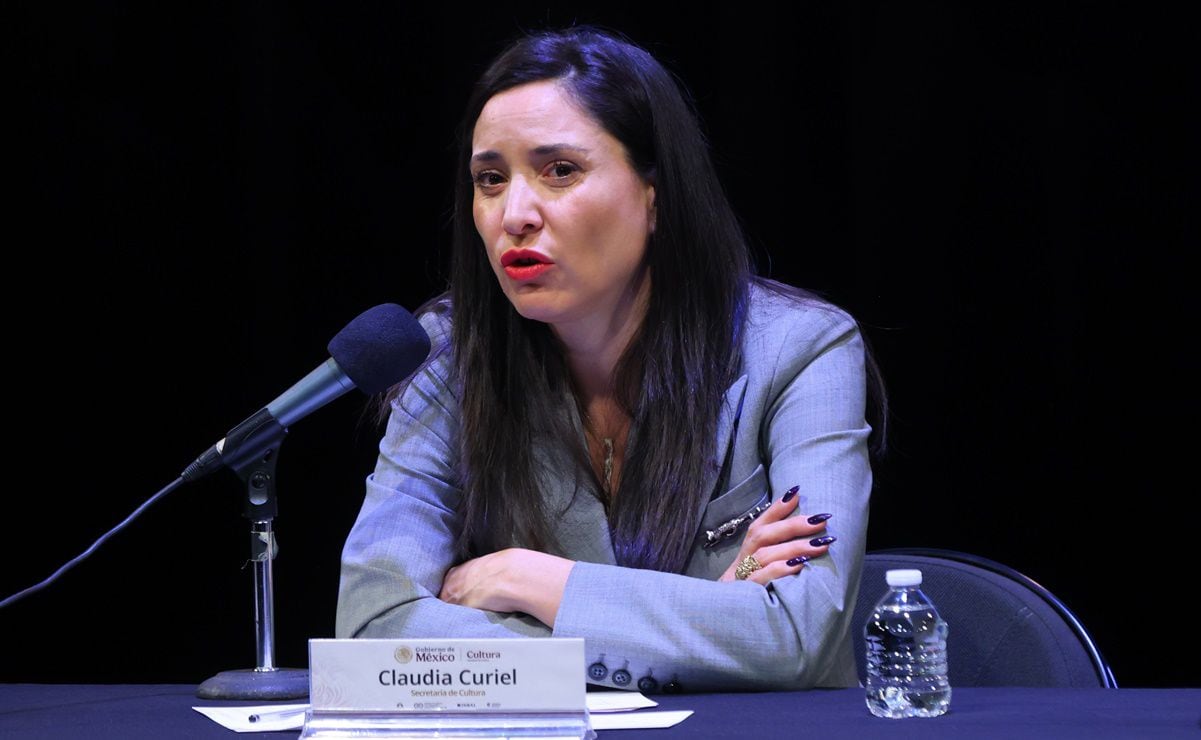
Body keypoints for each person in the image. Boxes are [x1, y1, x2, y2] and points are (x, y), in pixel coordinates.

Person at [336, 24, 886, 693]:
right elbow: (373, 627)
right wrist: (716, 608)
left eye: (559, 171)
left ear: (655, 195)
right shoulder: (450, 357)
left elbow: (795, 638)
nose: (515, 213)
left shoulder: (801, 350)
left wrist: (531, 580)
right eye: (489, 179)